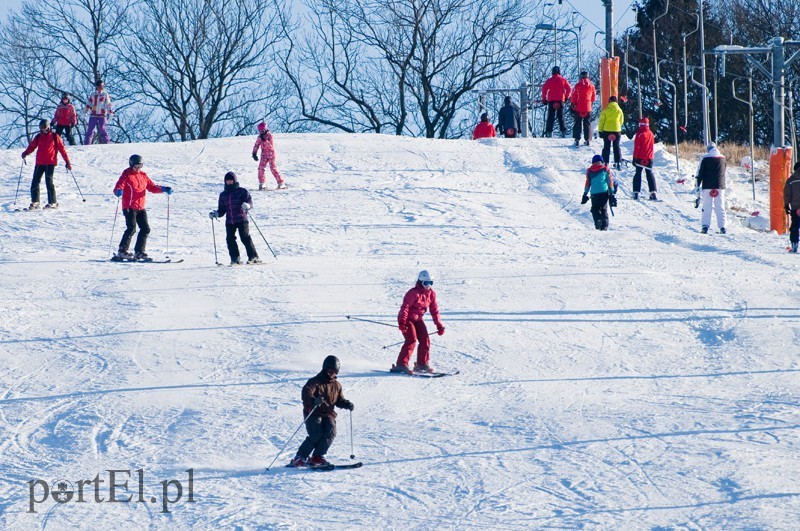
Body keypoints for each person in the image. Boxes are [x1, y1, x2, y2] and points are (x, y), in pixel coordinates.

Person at [289, 355, 354, 468]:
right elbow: (307, 392)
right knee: (316, 434)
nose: (331, 373)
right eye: (329, 371)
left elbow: (339, 400)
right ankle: (299, 457)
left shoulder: (337, 385)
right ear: (324, 369)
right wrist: (313, 401)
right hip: (313, 412)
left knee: (331, 432)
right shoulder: (315, 381)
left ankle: (317, 456)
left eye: (334, 371)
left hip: (328, 413)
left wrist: (346, 404)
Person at [112, 155, 173, 261]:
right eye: (136, 166)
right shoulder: (126, 175)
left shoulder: (143, 175)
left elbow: (152, 187)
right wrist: (118, 191)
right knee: (131, 228)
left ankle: (139, 252)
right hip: (129, 206)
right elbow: (119, 185)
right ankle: (122, 251)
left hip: (140, 207)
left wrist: (163, 189)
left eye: (140, 166)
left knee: (145, 229)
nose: (138, 168)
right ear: (131, 165)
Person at [392, 270, 445, 374]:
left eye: (431, 283)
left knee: (425, 340)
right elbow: (405, 308)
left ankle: (422, 364)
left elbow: (434, 310)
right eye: (426, 283)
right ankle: (401, 365)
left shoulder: (431, 294)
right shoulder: (413, 293)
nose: (428, 285)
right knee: (411, 339)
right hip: (406, 319)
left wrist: (439, 325)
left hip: (418, 319)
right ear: (421, 282)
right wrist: (402, 322)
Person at [208, 171, 261, 265]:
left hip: (241, 218)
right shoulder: (223, 195)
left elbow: (250, 203)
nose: (229, 182)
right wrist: (215, 214)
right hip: (230, 221)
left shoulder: (242, 191)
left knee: (245, 238)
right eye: (227, 181)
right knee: (230, 239)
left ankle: (253, 257)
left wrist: (247, 205)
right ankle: (235, 258)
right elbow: (222, 210)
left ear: (234, 180)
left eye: (231, 181)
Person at [21, 119, 72, 210]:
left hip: (50, 163)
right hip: (40, 163)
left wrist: (67, 162)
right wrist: (25, 153)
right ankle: (35, 202)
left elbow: (62, 150)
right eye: (42, 129)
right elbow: (32, 146)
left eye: (45, 128)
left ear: (49, 127)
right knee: (35, 182)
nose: (43, 130)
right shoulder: (38, 137)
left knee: (49, 182)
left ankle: (52, 202)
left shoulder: (55, 137)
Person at [695, 142, 727, 234]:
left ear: (708, 149)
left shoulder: (705, 159)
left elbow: (700, 174)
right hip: (720, 186)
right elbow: (724, 170)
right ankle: (723, 227)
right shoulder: (723, 158)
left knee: (706, 207)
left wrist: (697, 185)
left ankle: (705, 227)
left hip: (707, 186)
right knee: (720, 207)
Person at [582, 154, 617, 231]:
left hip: (594, 194)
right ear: (602, 161)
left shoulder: (589, 171)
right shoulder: (605, 169)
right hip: (604, 193)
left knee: (595, 209)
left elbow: (588, 183)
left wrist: (585, 194)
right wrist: (612, 193)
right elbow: (609, 182)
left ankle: (598, 220)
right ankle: (604, 226)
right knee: (604, 209)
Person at [252, 122, 285, 190]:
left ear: (266, 129)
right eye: (260, 131)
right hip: (264, 155)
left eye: (263, 131)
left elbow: (270, 146)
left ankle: (281, 183)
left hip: (271, 154)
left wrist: (264, 140)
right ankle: (262, 183)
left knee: (273, 168)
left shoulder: (269, 135)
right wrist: (254, 153)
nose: (261, 132)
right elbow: (256, 145)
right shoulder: (259, 137)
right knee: (261, 168)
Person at [541, 66, 572, 138]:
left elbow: (544, 89)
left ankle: (549, 132)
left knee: (550, 117)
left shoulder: (549, 80)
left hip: (551, 100)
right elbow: (569, 89)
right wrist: (566, 97)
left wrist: (544, 99)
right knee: (560, 116)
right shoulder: (563, 80)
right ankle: (563, 131)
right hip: (560, 100)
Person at [632, 117, 657, 200]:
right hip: (649, 157)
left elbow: (637, 147)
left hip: (640, 157)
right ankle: (653, 192)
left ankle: (636, 192)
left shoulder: (639, 134)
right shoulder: (651, 133)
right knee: (649, 174)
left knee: (638, 174)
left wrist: (634, 158)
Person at [569, 71, 596, 146]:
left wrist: (573, 104)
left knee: (577, 123)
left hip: (578, 107)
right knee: (587, 124)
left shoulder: (577, 85)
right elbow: (593, 97)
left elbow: (573, 96)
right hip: (588, 107)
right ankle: (587, 140)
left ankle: (577, 139)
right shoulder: (591, 86)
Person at [598, 95, 624, 169]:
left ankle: (605, 162)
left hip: (607, 131)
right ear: (616, 102)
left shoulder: (606, 110)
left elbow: (601, 121)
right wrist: (617, 126)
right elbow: (621, 121)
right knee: (616, 147)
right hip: (617, 131)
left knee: (606, 147)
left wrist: (600, 130)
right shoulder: (619, 110)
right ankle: (618, 162)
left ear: (609, 101)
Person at [84, 79, 113, 145]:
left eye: (101, 87)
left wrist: (110, 113)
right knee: (90, 129)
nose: (99, 89)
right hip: (93, 114)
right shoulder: (93, 94)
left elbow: (108, 104)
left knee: (102, 129)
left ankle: (106, 142)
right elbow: (89, 103)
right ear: (96, 87)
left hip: (102, 115)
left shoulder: (105, 94)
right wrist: (85, 111)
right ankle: (87, 143)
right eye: (98, 87)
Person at [784, 162, 800, 253]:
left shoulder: (791, 180)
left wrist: (786, 205)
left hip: (795, 207)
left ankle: (794, 245)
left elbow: (787, 194)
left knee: (795, 227)